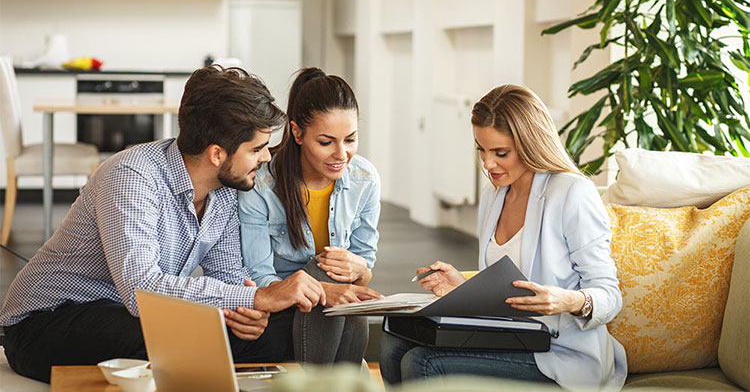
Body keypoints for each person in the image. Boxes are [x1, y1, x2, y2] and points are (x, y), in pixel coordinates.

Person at [0, 66, 327, 383]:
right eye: (257, 149)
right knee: (174, 338)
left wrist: (247, 312)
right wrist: (257, 299)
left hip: (131, 315)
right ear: (216, 154)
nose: (267, 157)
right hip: (45, 322)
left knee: (281, 334)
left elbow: (228, 277)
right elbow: (140, 289)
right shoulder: (132, 176)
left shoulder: (227, 189)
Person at [380, 84, 627, 390]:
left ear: (531, 144)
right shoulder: (494, 196)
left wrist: (568, 301)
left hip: (561, 353)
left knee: (422, 362)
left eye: (501, 153)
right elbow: (507, 288)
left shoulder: (572, 194)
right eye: (481, 149)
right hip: (512, 339)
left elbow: (610, 296)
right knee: (394, 346)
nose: (487, 164)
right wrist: (463, 285)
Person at [238, 67, 383, 365]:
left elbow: (364, 270)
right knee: (321, 271)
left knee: (342, 287)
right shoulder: (262, 185)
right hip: (281, 306)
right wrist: (321, 289)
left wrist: (358, 269)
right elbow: (259, 276)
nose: (341, 154)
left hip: (335, 308)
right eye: (326, 142)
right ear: (297, 132)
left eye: (351, 139)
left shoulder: (365, 179)